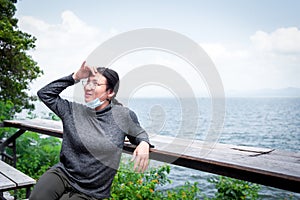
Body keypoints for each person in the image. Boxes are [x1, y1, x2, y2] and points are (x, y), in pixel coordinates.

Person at [29, 61, 151, 200]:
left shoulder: (123, 116)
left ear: (110, 92)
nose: (88, 87)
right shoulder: (72, 111)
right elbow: (45, 94)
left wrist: (144, 144)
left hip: (91, 191)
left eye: (96, 84)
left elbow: (139, 134)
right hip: (64, 174)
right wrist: (75, 77)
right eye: (87, 82)